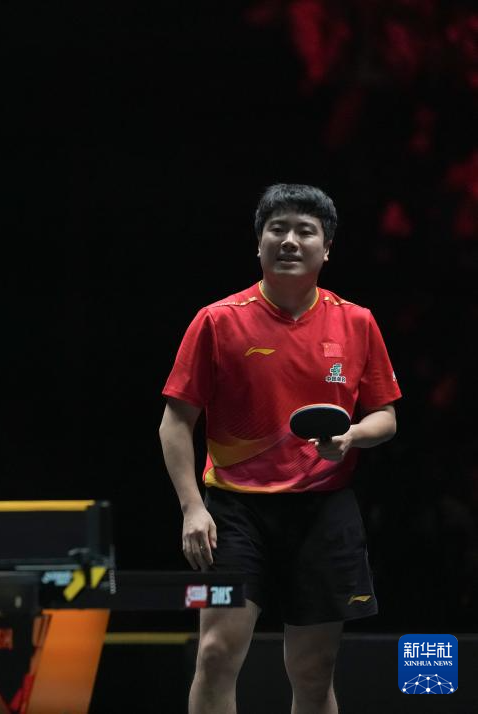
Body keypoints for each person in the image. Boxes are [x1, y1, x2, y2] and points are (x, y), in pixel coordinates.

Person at [159, 184, 401, 714]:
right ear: (259, 242)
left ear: (326, 248)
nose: (290, 240)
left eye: (305, 231)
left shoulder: (357, 322)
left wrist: (352, 437)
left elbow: (385, 416)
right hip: (234, 511)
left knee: (314, 670)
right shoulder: (217, 320)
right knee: (215, 654)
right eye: (278, 229)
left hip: (323, 510)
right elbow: (175, 423)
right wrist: (192, 508)